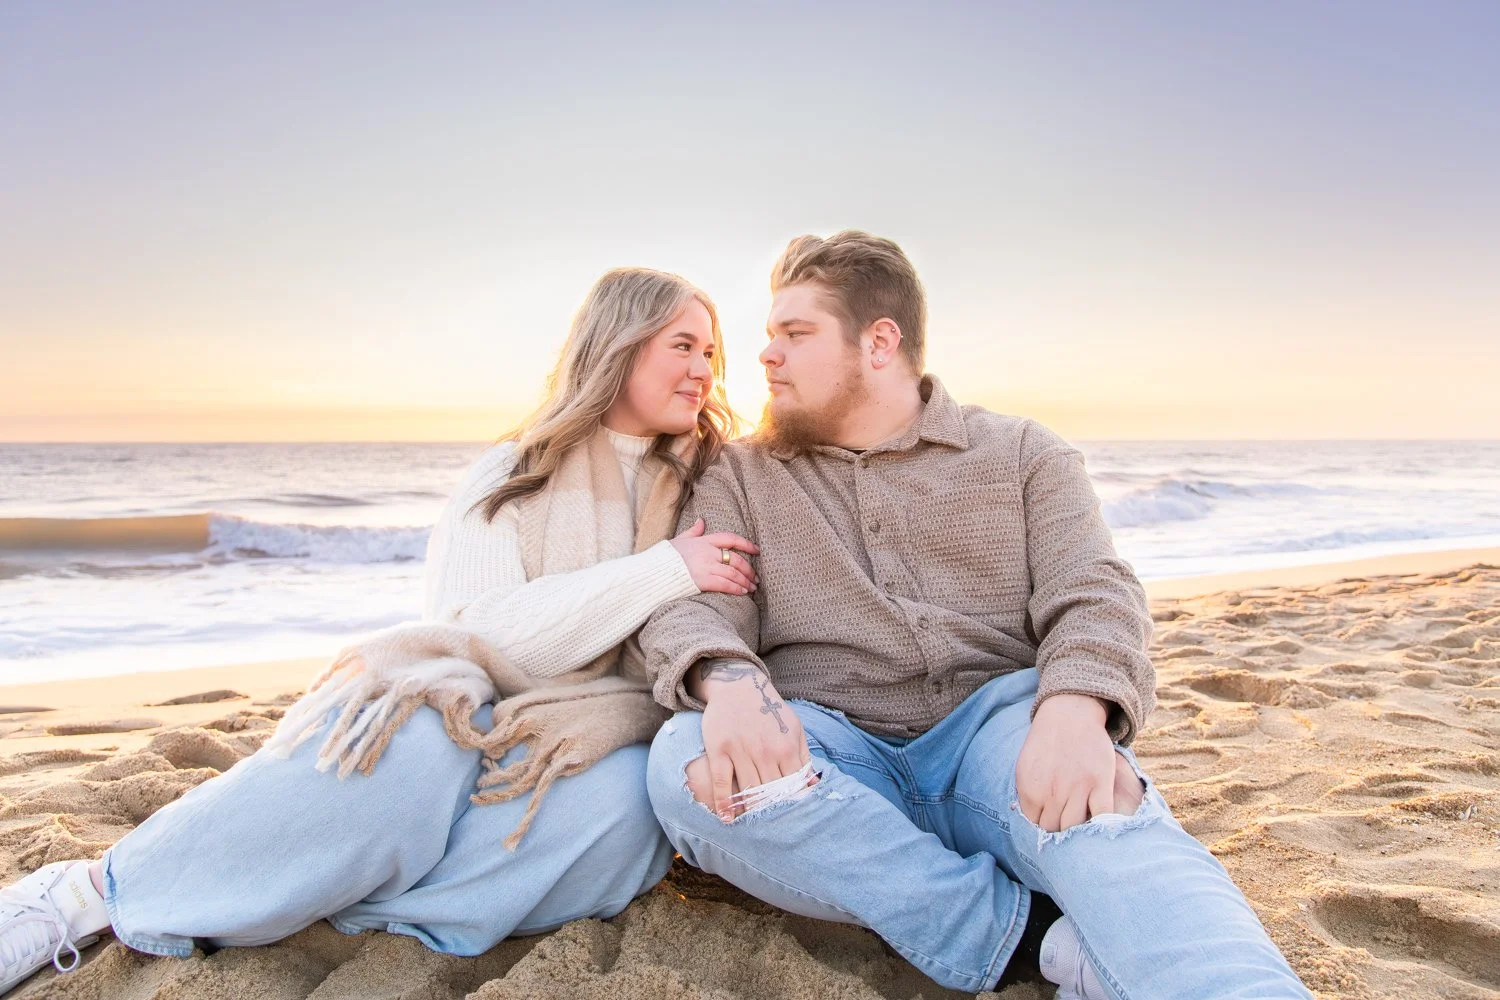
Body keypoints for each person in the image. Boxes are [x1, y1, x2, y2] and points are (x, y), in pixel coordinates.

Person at [0, 267, 761, 993]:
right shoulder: (512, 472)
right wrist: (666, 568)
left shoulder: (713, 478)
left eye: (710, 352)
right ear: (618, 347)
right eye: (682, 346)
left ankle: (356, 903)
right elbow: (491, 638)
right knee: (408, 759)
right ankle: (90, 892)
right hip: (472, 691)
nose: (703, 369)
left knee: (622, 812)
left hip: (598, 720)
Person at [640, 232, 1312, 999]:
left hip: (1001, 736)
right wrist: (725, 682)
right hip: (832, 754)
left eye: (795, 335)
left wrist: (1075, 707)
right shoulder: (740, 473)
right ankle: (1029, 941)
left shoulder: (1024, 452)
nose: (766, 356)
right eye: (769, 337)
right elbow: (695, 606)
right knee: (683, 763)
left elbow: (1096, 591)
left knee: (1112, 818)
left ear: (880, 343)